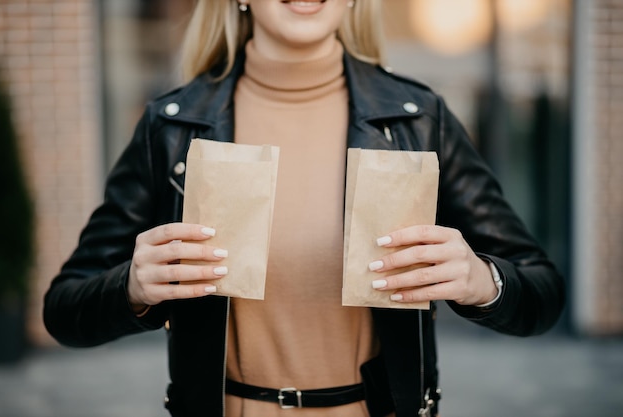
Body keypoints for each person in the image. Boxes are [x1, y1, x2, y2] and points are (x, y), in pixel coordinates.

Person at [43, 1, 565, 416]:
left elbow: (541, 292)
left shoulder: (420, 118)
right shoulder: (173, 125)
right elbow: (65, 310)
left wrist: (482, 280)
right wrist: (132, 288)